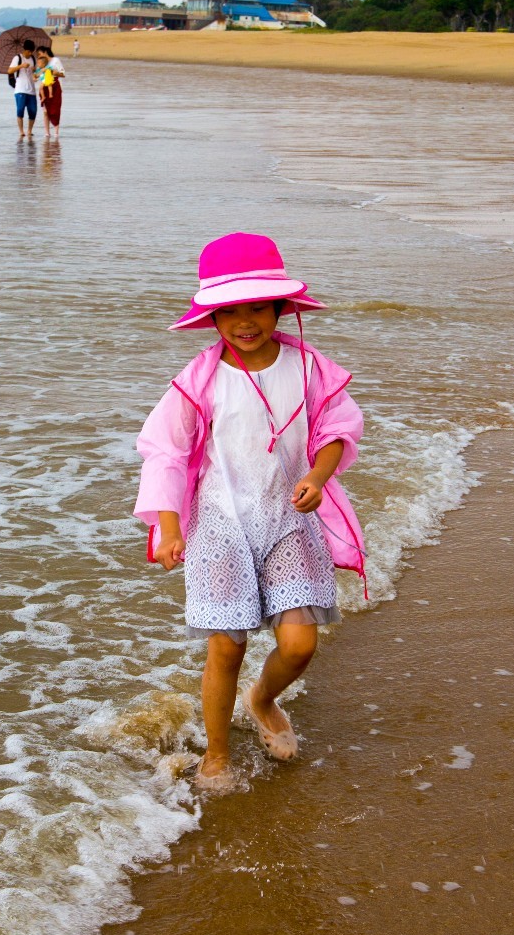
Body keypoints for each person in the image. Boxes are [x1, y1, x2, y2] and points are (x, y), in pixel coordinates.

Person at [134, 233, 367, 790]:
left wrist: (317, 474)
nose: (246, 321)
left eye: (258, 306)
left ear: (280, 307)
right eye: (231, 310)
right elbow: (164, 451)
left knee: (299, 643)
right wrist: (169, 527)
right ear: (211, 316)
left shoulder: (308, 367)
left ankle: (262, 700)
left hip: (289, 514)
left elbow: (337, 429)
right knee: (227, 643)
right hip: (219, 520)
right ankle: (216, 754)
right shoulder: (200, 379)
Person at [8, 40, 40, 137]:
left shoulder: (33, 59)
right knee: (20, 110)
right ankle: (21, 131)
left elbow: (35, 75)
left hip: (31, 90)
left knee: (33, 111)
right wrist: (21, 66)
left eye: (32, 52)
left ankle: (29, 131)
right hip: (20, 89)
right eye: (29, 51)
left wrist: (35, 72)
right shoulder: (17, 58)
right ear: (25, 50)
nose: (30, 53)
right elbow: (9, 70)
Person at [36, 46, 64, 137]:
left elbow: (63, 74)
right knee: (45, 111)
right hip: (44, 87)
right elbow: (38, 74)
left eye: (40, 53)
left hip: (54, 85)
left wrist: (53, 72)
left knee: (55, 109)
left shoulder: (55, 60)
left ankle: (56, 131)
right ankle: (47, 132)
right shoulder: (41, 62)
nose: (39, 56)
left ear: (45, 52)